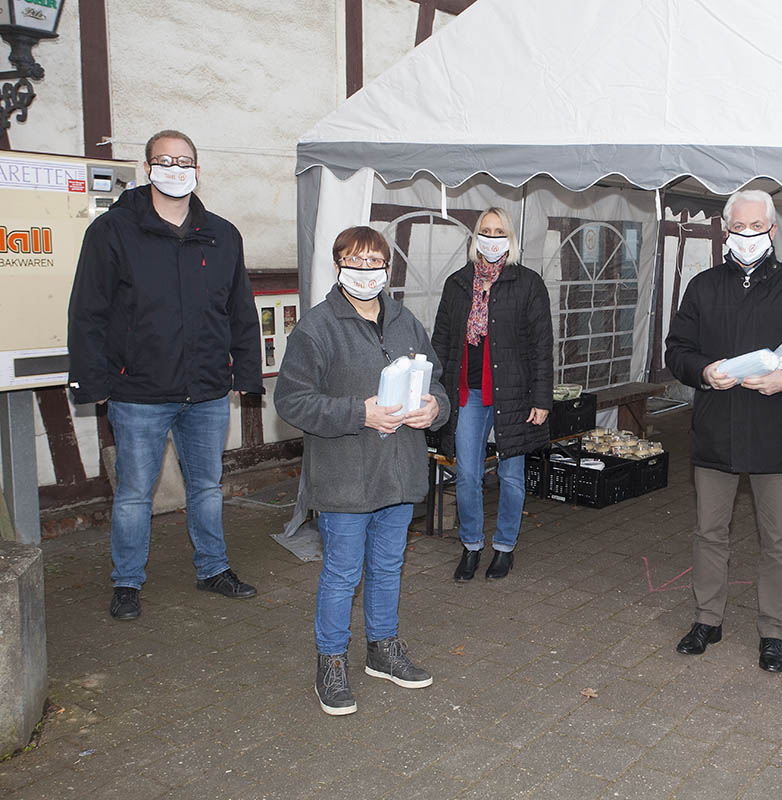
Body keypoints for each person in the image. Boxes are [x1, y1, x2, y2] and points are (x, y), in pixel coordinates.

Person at [67, 129, 263, 621]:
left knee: (206, 487)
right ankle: (127, 581)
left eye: (186, 161)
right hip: (138, 392)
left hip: (207, 391)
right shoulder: (112, 231)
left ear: (198, 169)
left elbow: (240, 310)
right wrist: (93, 384)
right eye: (165, 160)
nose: (176, 168)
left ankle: (214, 568)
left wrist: (247, 372)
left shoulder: (222, 234)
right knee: (134, 493)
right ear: (148, 166)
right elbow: (87, 311)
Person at [274, 225, 450, 716]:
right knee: (342, 573)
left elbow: (439, 385)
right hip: (345, 475)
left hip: (399, 472)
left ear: (386, 269)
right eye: (356, 262)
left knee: (389, 565)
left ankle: (382, 649)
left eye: (375, 263)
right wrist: (359, 413)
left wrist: (435, 409)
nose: (366, 272)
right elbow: (290, 400)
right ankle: (331, 662)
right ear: (339, 266)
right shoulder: (316, 327)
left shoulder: (406, 321)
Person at [664, 189, 782, 673]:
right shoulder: (703, 286)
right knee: (709, 532)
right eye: (737, 228)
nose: (746, 236)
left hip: (773, 432)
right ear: (725, 231)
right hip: (715, 430)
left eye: (755, 227)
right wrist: (703, 371)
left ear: (773, 231)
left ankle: (773, 631)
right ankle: (706, 619)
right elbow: (676, 349)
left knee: (776, 537)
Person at [431, 207, 553, 582]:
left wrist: (542, 398)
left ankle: (504, 548)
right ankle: (471, 546)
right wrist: (435, 391)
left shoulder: (528, 283)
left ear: (510, 239)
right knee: (467, 474)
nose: (492, 237)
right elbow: (441, 341)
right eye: (486, 230)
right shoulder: (457, 284)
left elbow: (542, 346)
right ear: (475, 236)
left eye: (500, 231)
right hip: (467, 391)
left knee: (511, 474)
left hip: (513, 395)